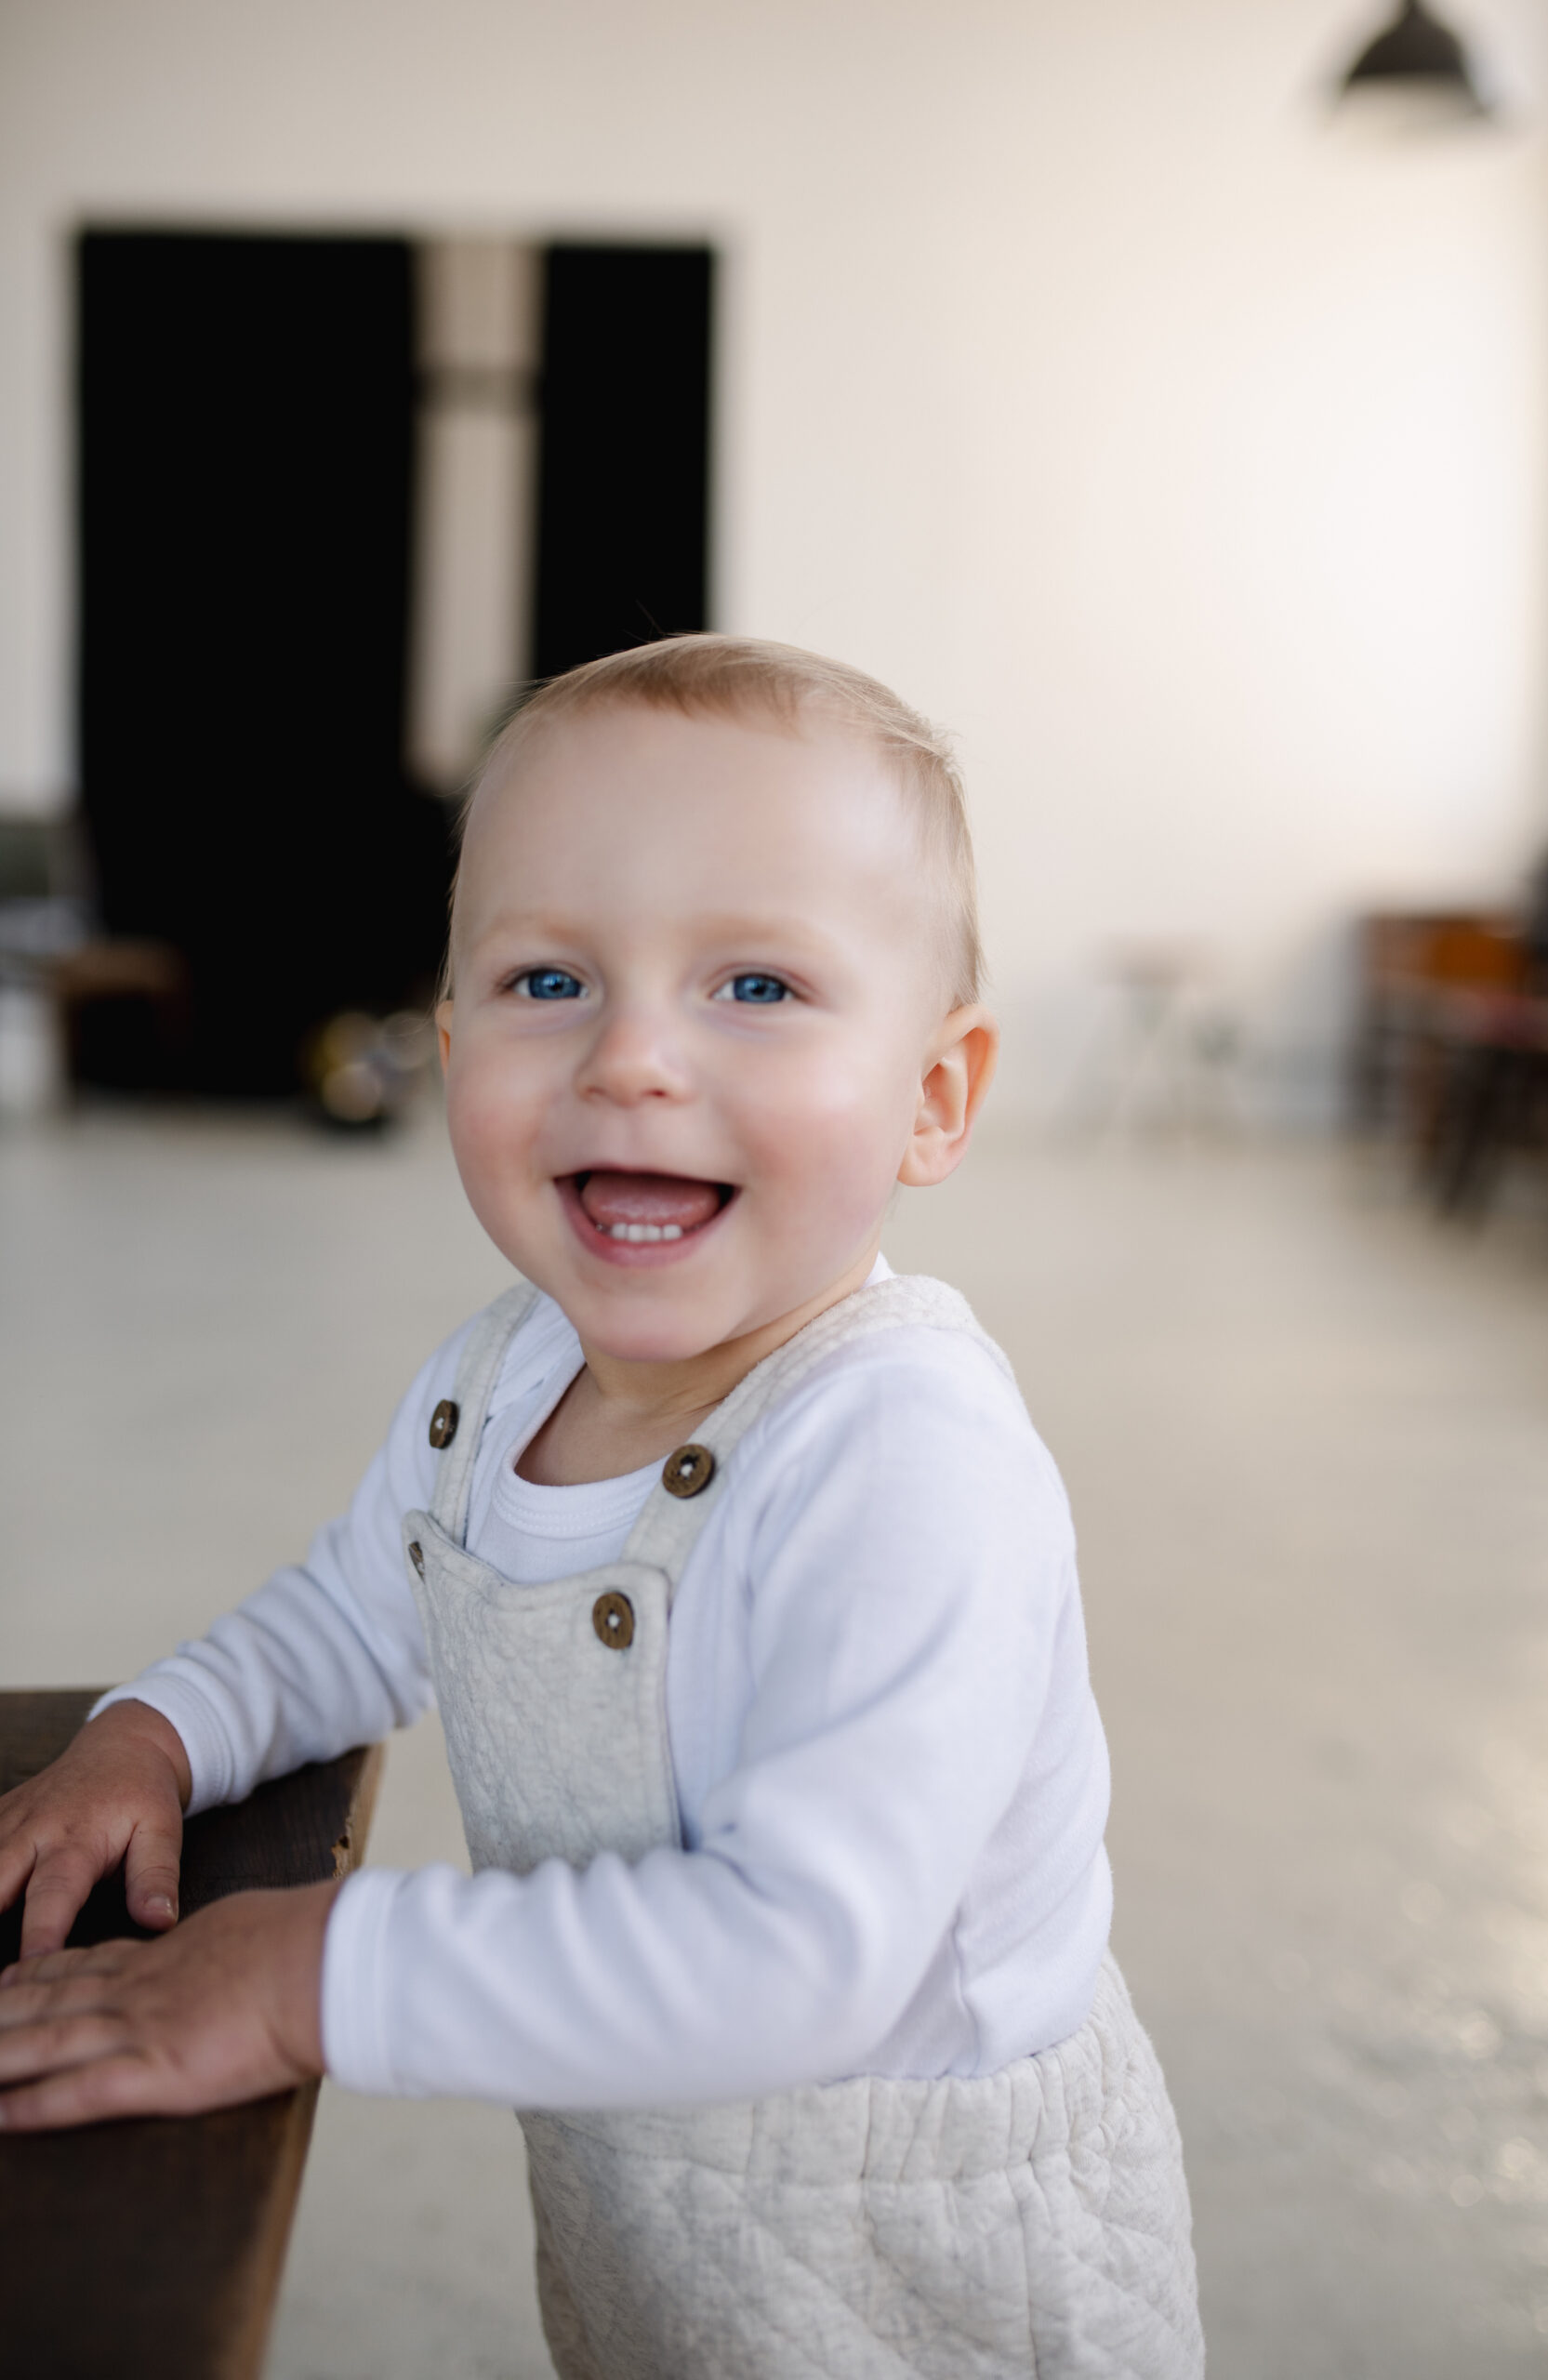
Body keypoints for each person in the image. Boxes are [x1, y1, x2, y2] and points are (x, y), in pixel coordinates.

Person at [0, 637, 1202, 2378]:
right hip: (666, 2231)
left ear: (932, 1097)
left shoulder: (900, 1455)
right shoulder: (496, 1379)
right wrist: (157, 1734)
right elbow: (356, 1612)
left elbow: (804, 1952)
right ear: (446, 1044)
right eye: (549, 979)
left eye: (756, 986)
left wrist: (301, 1974)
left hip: (927, 2279)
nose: (632, 1057)